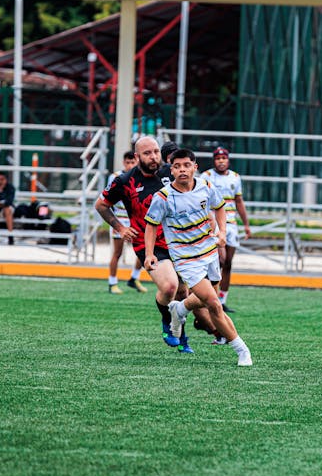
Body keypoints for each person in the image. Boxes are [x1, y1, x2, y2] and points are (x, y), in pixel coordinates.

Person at [146, 148, 253, 367]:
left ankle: (180, 308)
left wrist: (222, 232)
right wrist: (149, 254)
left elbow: (220, 207)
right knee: (214, 304)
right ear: (171, 169)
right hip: (185, 258)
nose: (182, 170)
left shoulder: (205, 186)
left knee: (206, 298)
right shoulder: (163, 197)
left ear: (195, 167)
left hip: (209, 252)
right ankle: (242, 350)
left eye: (187, 165)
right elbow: (151, 225)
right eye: (177, 166)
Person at [96, 136, 196, 353]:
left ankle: (182, 336)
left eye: (156, 152)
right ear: (136, 157)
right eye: (147, 153)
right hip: (148, 244)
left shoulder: (169, 172)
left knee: (182, 292)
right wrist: (120, 228)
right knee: (169, 286)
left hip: (178, 241)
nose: (153, 157)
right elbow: (101, 205)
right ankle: (166, 321)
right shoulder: (124, 181)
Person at [202, 147, 252, 313]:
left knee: (228, 263)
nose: (221, 161)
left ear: (228, 160)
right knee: (220, 260)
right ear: (214, 161)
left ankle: (222, 300)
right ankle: (210, 296)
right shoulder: (207, 176)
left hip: (231, 224)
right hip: (215, 224)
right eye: (218, 158)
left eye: (224, 158)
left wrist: (246, 224)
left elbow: (239, 201)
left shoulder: (235, 177)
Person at [106, 151, 148, 295]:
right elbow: (107, 199)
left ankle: (134, 278)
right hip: (121, 220)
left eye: (133, 162)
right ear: (124, 163)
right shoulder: (116, 177)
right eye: (128, 162)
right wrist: (115, 222)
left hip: (136, 220)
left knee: (144, 251)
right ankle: (112, 282)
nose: (130, 165)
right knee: (117, 252)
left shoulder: (141, 177)